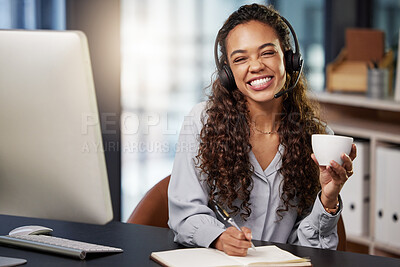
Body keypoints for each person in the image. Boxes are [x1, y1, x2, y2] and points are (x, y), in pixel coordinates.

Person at [168, 3, 357, 257]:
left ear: (289, 59)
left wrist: (328, 199)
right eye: (240, 58)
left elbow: (310, 247)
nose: (255, 66)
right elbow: (185, 214)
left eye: (267, 53)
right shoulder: (201, 122)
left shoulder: (317, 136)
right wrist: (218, 237)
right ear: (227, 73)